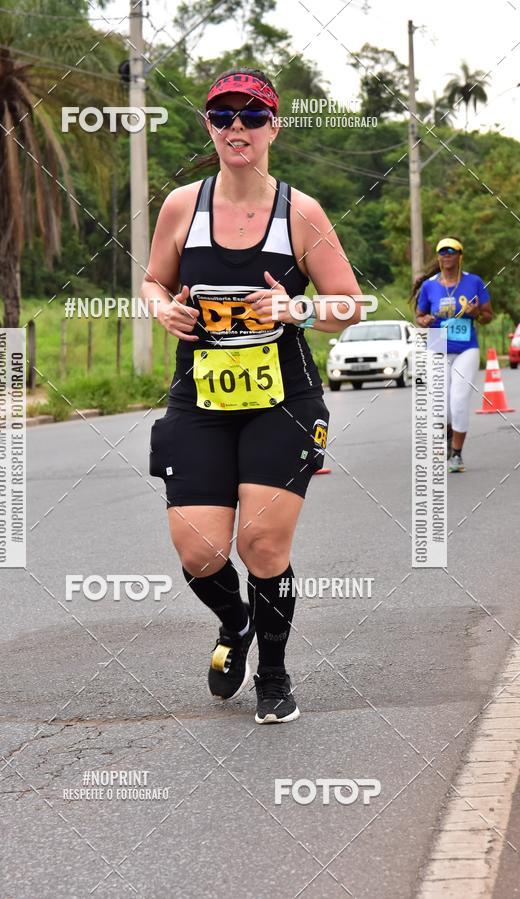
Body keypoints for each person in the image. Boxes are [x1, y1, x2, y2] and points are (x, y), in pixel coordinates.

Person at [141, 68, 362, 724]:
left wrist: (296, 308)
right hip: (200, 402)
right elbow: (153, 282)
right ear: (209, 126)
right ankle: (235, 623)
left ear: (274, 127)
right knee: (200, 550)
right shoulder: (182, 206)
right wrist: (162, 310)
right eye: (223, 116)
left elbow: (349, 304)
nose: (237, 127)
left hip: (283, 401)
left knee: (262, 544)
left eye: (252, 115)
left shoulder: (301, 213)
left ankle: (273, 672)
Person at [412, 237, 493, 472]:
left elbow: (488, 316)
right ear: (438, 257)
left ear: (460, 256)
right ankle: (447, 436)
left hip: (466, 346)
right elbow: (420, 316)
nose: (446, 255)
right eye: (442, 252)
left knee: (458, 401)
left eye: (451, 251)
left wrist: (476, 313)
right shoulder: (430, 286)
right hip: (437, 345)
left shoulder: (474, 282)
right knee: (440, 405)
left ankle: (456, 454)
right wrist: (424, 321)